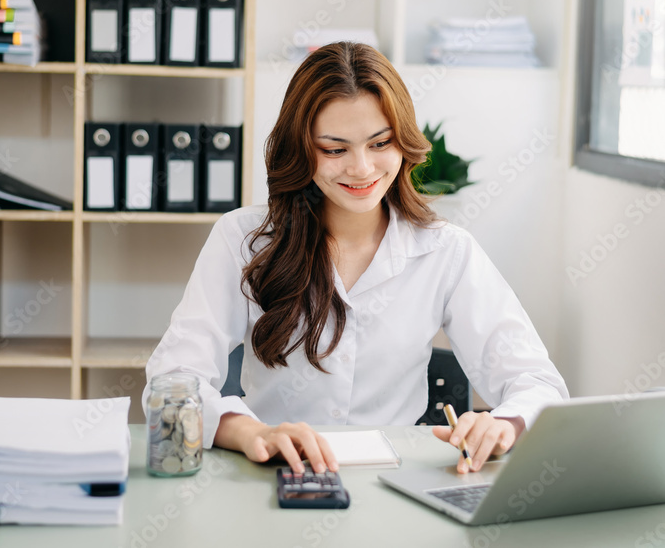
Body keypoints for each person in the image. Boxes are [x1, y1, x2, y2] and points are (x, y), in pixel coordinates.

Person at [143, 42, 567, 476]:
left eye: (380, 142)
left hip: (394, 481)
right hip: (273, 474)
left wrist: (503, 424)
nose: (362, 169)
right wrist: (251, 432)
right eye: (334, 149)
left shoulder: (446, 251)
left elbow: (538, 383)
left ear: (402, 141)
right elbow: (173, 378)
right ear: (301, 149)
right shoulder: (242, 240)